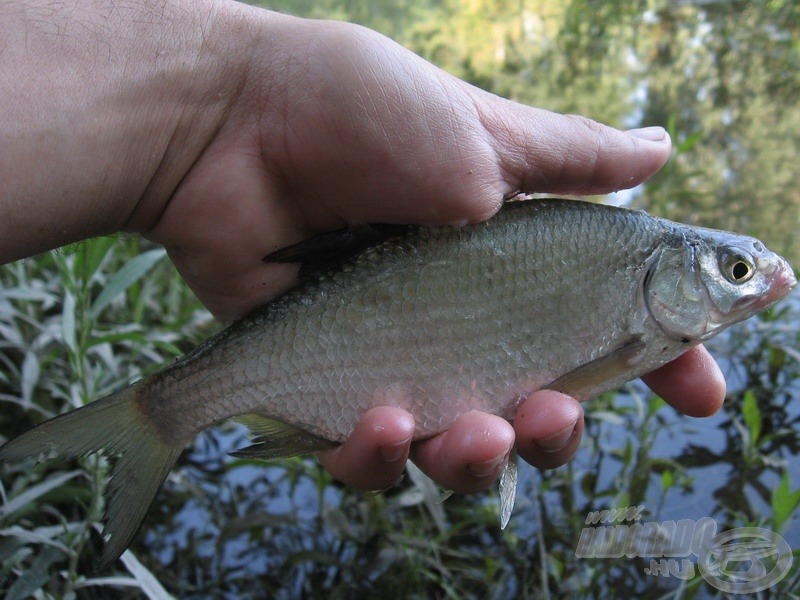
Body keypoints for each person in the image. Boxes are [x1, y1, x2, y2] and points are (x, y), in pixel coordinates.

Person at [0, 0, 724, 495]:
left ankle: (164, 415)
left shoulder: (622, 264)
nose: (752, 284)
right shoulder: (626, 275)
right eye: (736, 270)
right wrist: (221, 110)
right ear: (666, 276)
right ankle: (156, 416)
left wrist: (216, 111)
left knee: (460, 437)